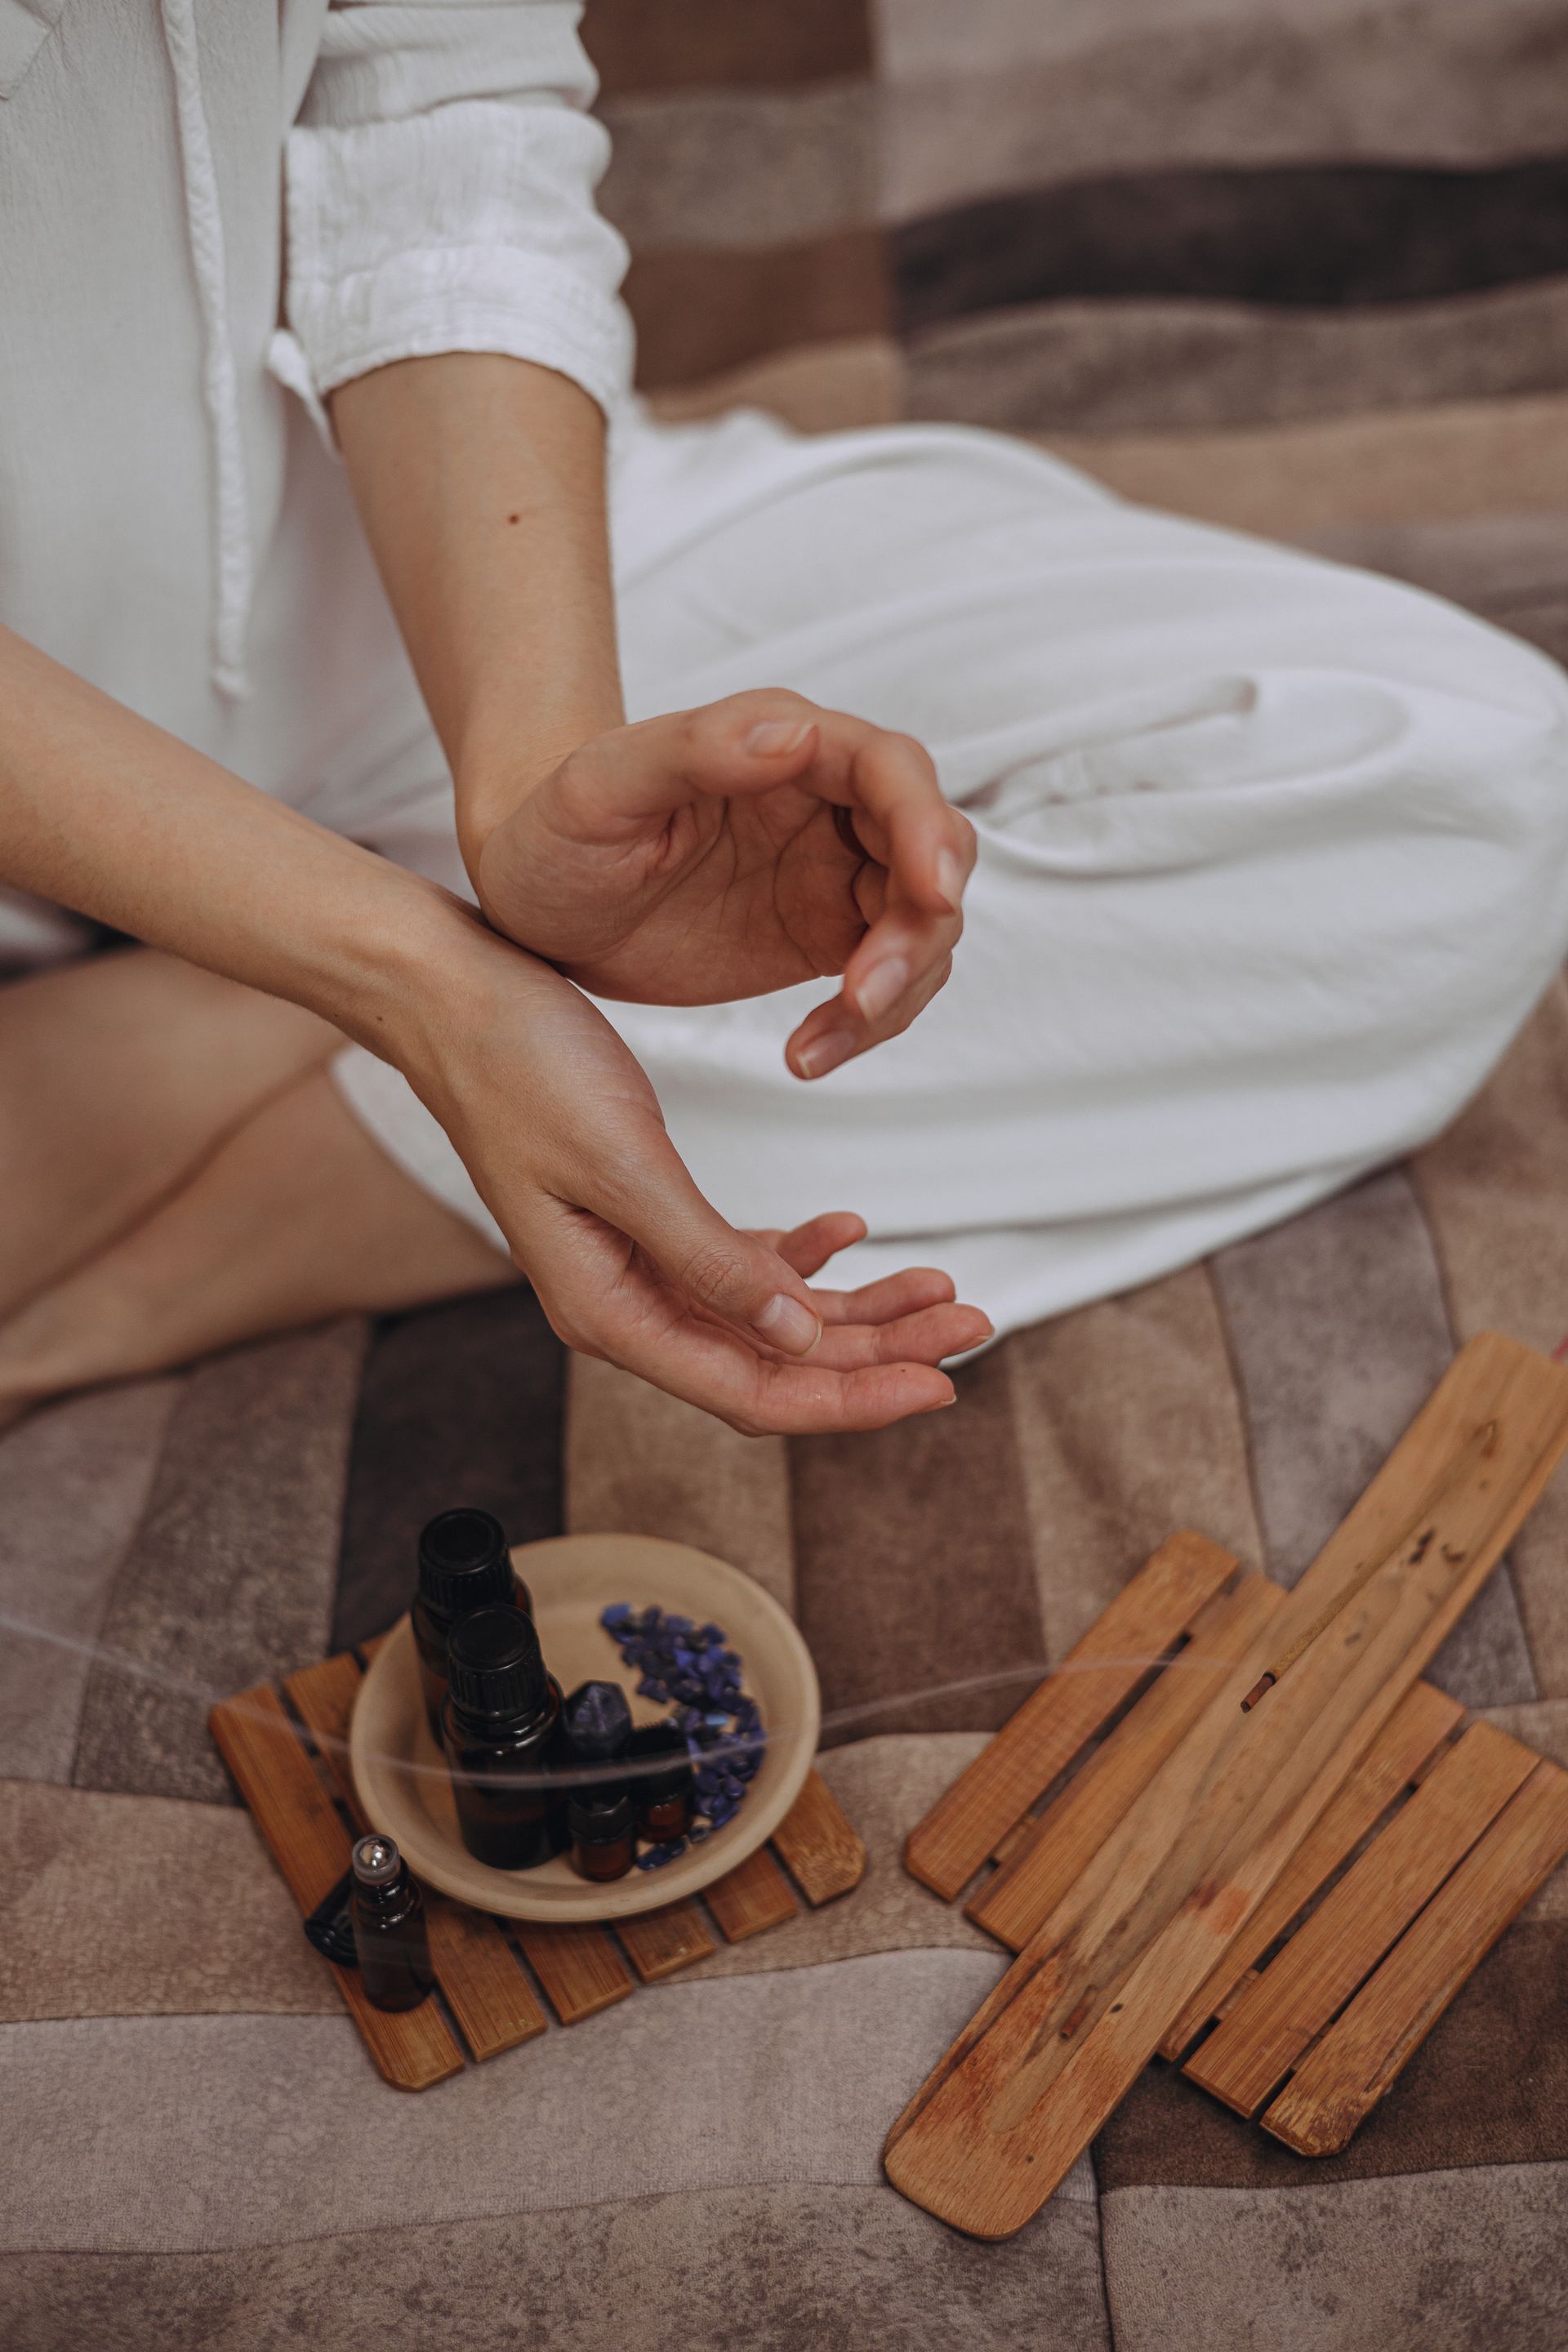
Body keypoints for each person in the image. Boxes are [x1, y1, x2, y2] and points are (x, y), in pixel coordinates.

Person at [3, 3, 1566, 1442]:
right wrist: (414, 975)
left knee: (1465, 788)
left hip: (414, 549)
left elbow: (436, 123)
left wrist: (546, 779)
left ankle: (210, 1190)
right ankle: (330, 1018)